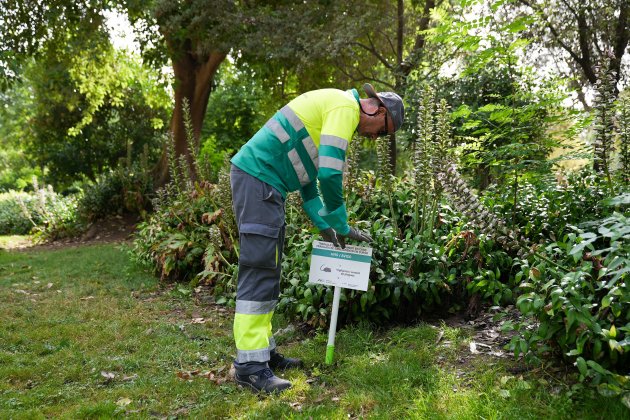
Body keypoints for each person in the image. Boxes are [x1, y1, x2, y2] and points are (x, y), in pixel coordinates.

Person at [229, 83, 405, 393]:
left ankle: (262, 355)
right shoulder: (344, 108)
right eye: (382, 131)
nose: (375, 138)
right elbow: (329, 174)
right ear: (377, 109)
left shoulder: (335, 107)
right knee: (259, 269)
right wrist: (341, 222)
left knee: (269, 268)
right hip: (259, 181)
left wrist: (324, 225)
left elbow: (308, 181)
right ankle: (250, 368)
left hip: (266, 185)